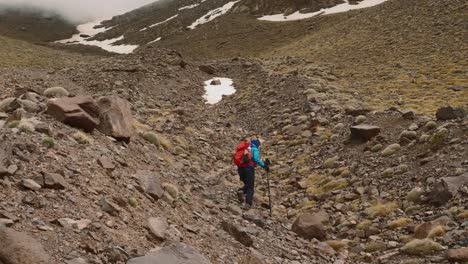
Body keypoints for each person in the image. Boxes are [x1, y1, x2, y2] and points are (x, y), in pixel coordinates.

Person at [236, 139, 269, 209]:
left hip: (240, 168)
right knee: (250, 187)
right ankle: (248, 204)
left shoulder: (246, 148)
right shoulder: (254, 149)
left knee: (248, 184)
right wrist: (264, 166)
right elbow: (256, 158)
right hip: (249, 168)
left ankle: (241, 191)